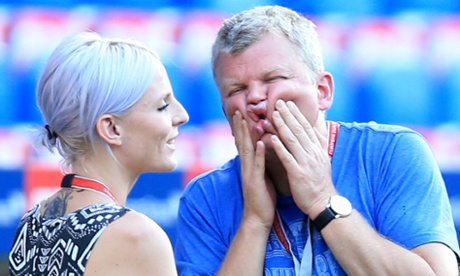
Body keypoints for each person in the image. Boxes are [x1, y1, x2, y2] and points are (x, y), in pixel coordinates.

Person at [174, 5, 460, 275]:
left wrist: (323, 200)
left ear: (323, 91)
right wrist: (254, 222)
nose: (255, 99)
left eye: (273, 79)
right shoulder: (206, 197)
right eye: (236, 89)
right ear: (224, 109)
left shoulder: (391, 153)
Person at [9, 31, 189, 275]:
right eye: (163, 106)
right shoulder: (138, 237)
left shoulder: (32, 222)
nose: (182, 116)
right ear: (112, 128)